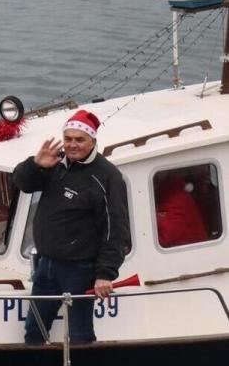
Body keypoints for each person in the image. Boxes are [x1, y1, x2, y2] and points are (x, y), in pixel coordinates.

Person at [12, 109, 130, 344]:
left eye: (79, 139)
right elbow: (22, 183)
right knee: (33, 331)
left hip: (80, 269)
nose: (72, 145)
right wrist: (36, 165)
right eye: (68, 139)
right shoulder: (54, 163)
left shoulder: (107, 177)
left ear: (93, 141)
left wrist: (105, 274)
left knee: (80, 335)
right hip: (46, 265)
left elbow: (116, 230)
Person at [156, 173, 208, 247]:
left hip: (193, 253)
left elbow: (164, 238)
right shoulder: (172, 197)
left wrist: (156, 218)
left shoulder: (176, 200)